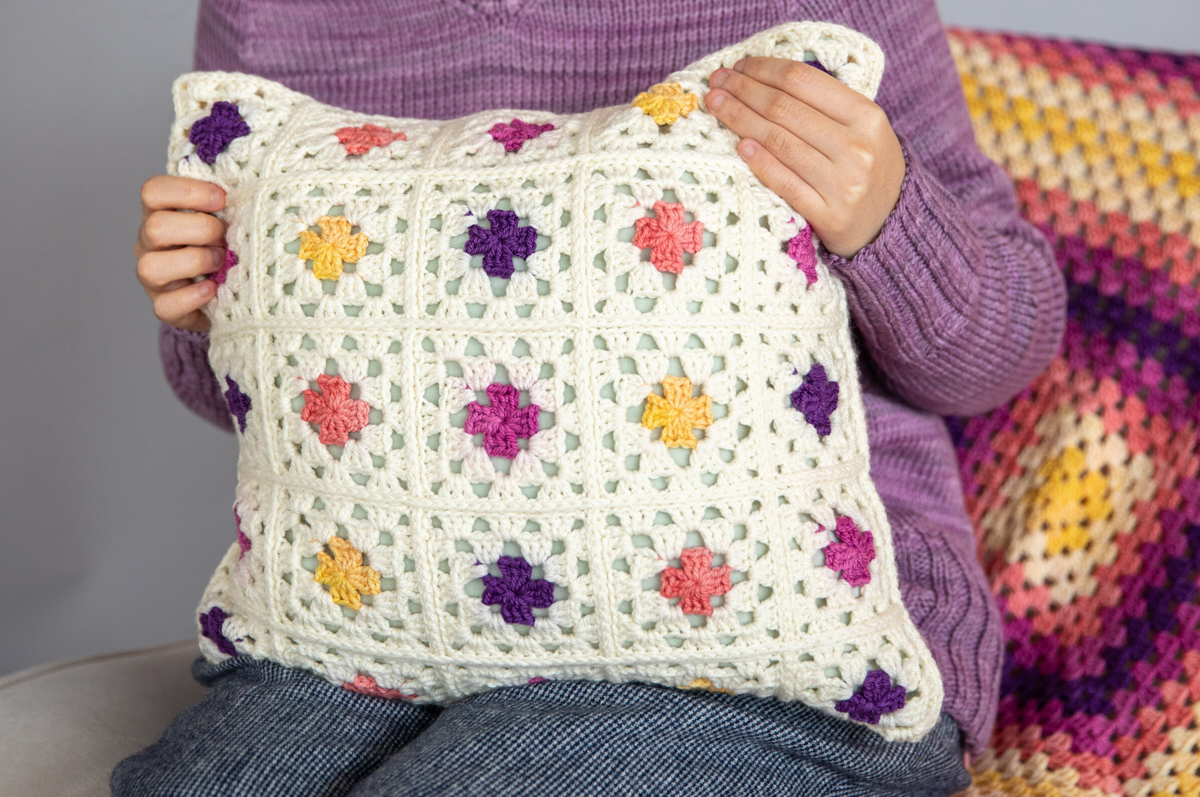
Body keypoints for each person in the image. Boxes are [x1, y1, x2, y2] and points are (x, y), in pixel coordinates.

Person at [117, 1, 1066, 794]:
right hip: (387, 597)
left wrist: (886, 214)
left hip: (791, 633)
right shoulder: (271, 14)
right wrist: (219, 312)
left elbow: (1002, 355)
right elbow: (260, 412)